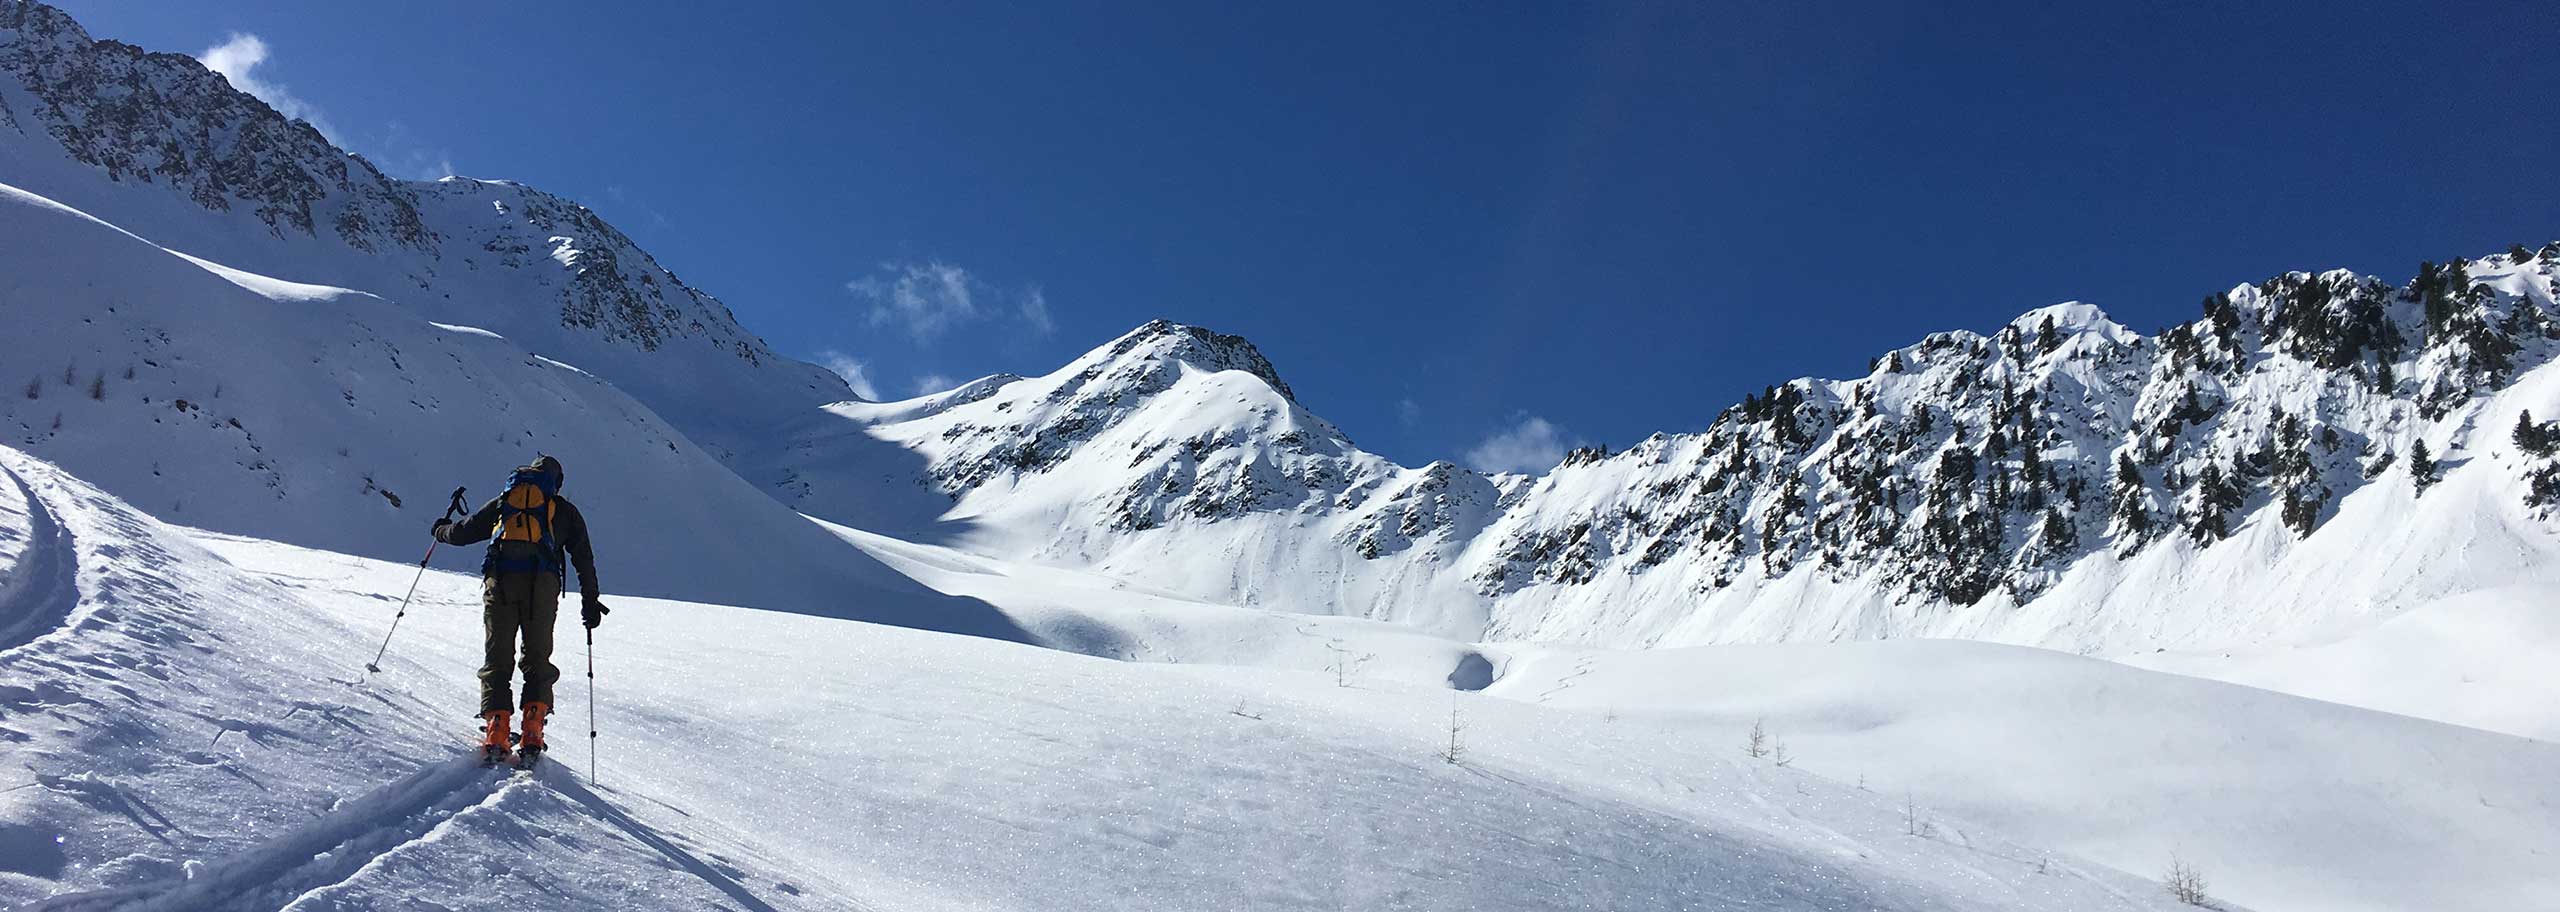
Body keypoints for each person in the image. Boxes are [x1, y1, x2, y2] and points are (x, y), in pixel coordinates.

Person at [432, 454, 606, 761]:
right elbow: (584, 559)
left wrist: (441, 530)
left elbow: (465, 532)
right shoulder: (564, 511)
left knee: (497, 656)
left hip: (500, 581)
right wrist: (589, 601)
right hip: (542, 587)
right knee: (537, 656)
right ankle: (532, 730)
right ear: (557, 482)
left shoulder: (504, 502)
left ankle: (497, 729)